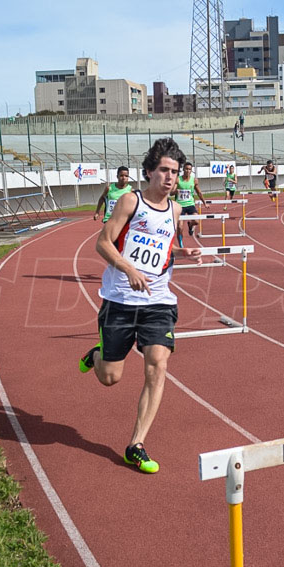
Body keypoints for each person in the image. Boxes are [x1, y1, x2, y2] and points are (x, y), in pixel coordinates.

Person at [79, 138, 201, 474]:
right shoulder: (131, 202)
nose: (170, 177)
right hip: (120, 299)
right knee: (109, 378)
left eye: (174, 172)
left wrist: (181, 253)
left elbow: (160, 249)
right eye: (164, 170)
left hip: (158, 300)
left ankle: (136, 444)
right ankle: (99, 355)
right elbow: (103, 243)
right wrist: (129, 269)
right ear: (148, 172)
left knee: (157, 365)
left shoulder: (175, 210)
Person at [173, 161, 206, 240]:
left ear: (191, 170)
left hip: (190, 204)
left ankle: (190, 225)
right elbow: (171, 192)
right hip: (180, 206)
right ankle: (181, 246)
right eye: (186, 169)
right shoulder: (178, 179)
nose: (188, 171)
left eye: (189, 169)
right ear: (183, 169)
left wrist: (204, 202)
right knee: (180, 227)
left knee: (196, 221)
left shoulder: (194, 180)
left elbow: (199, 192)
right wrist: (175, 191)